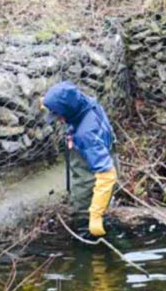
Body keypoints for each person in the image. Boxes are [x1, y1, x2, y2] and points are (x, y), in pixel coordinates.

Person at [42, 81, 117, 237]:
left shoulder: (85, 134)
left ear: (68, 111)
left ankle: (92, 243)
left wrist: (95, 215)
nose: (58, 119)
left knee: (86, 224)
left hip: (93, 174)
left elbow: (107, 175)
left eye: (58, 115)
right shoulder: (84, 101)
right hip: (105, 152)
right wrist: (48, 102)